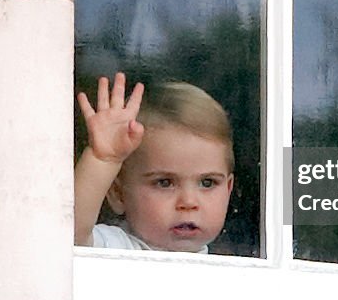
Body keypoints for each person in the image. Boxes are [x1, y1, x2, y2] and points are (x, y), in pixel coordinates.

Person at [74, 72, 234, 253]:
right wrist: (102, 159)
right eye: (165, 183)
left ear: (228, 190)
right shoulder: (115, 248)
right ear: (118, 194)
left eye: (207, 183)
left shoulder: (231, 268)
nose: (188, 202)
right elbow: (67, 233)